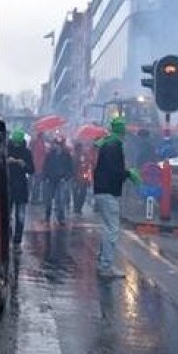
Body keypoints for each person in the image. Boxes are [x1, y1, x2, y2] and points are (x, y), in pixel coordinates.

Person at [93, 117, 138, 279]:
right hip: (108, 191)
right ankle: (106, 266)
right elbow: (114, 172)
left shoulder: (106, 144)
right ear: (121, 132)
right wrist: (128, 174)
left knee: (107, 227)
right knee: (112, 229)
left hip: (101, 190)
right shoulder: (114, 147)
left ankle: (102, 261)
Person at [7, 128, 35, 244]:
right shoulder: (6, 150)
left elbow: (32, 170)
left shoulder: (27, 153)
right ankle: (8, 235)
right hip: (8, 186)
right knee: (7, 214)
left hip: (21, 187)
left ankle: (17, 238)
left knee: (20, 215)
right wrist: (7, 162)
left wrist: (23, 165)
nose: (16, 145)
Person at [43, 135, 74, 226]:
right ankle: (47, 216)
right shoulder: (50, 155)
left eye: (60, 144)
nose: (58, 146)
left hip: (61, 180)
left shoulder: (66, 155)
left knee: (61, 200)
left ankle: (61, 218)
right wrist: (46, 177)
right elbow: (45, 167)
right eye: (56, 144)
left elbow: (70, 169)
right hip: (51, 180)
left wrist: (66, 178)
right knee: (48, 200)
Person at [72, 142, 94, 215]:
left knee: (80, 193)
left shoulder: (83, 155)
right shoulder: (74, 156)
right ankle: (77, 207)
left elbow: (87, 166)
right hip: (78, 178)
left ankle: (77, 207)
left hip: (81, 178)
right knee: (79, 193)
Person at [30, 131, 48, 205]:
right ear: (41, 136)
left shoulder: (38, 143)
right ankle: (35, 199)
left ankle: (36, 198)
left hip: (38, 165)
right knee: (37, 184)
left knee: (37, 184)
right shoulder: (39, 143)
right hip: (39, 166)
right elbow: (41, 154)